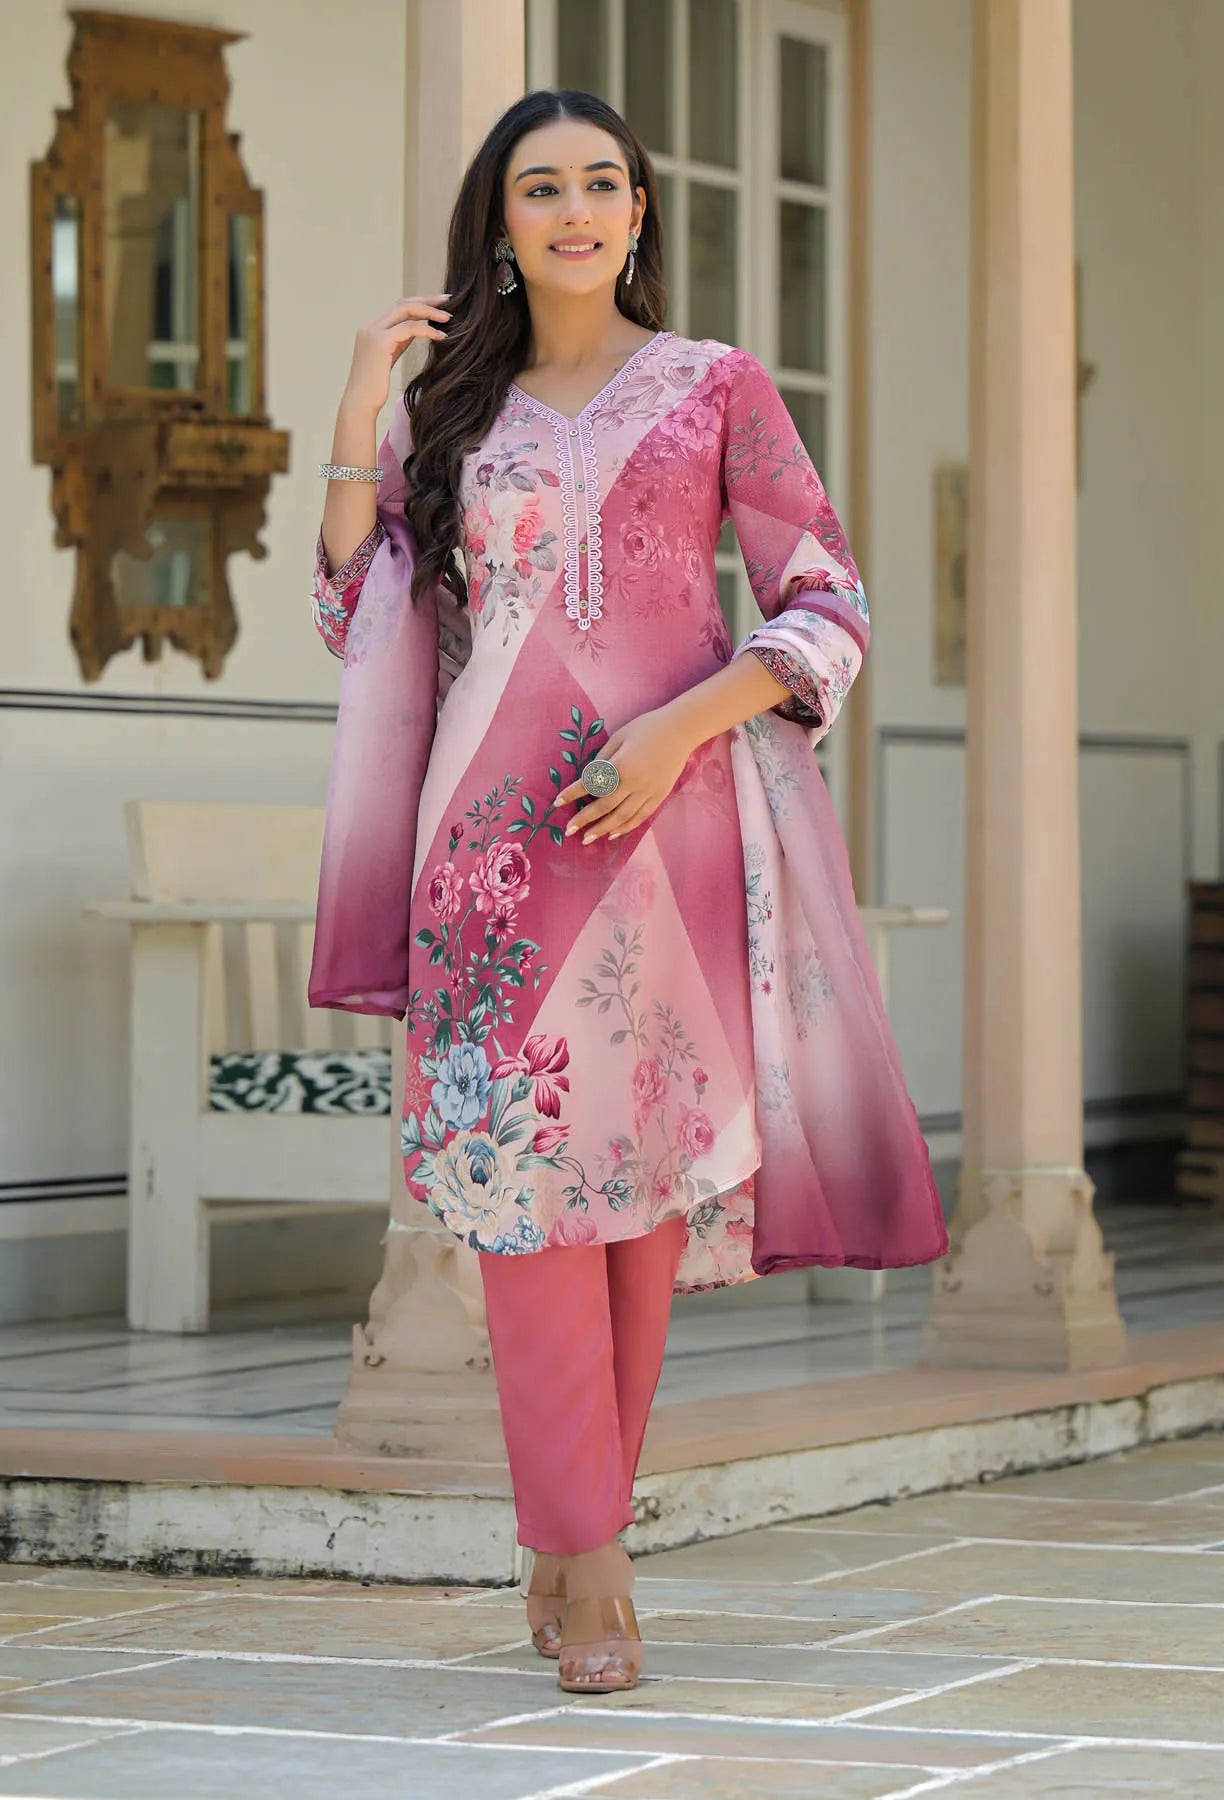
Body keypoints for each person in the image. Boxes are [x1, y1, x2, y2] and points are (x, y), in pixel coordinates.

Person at [309, 88, 946, 1695]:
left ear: (642, 211)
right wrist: (361, 403)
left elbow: (828, 601)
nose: (576, 209)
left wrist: (680, 726)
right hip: (490, 852)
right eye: (542, 188)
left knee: (639, 1206)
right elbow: (360, 608)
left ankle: (573, 1532)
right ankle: (592, 1560)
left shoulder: (716, 387)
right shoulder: (453, 414)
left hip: (674, 830)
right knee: (523, 1197)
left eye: (603, 183)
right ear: (501, 224)